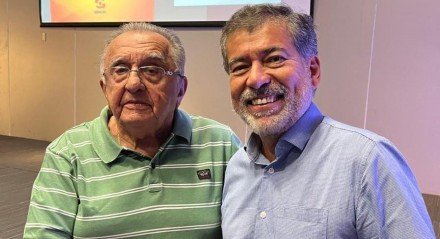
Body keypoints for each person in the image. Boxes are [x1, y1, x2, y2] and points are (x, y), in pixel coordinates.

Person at [220, 4, 435, 239]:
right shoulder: (236, 168)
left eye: (274, 59)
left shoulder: (369, 161)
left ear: (312, 71)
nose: (256, 79)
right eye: (240, 67)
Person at [24, 22, 240, 238]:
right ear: (105, 87)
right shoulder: (67, 153)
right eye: (120, 70)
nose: (134, 83)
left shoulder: (220, 144)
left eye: (152, 70)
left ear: (180, 90)